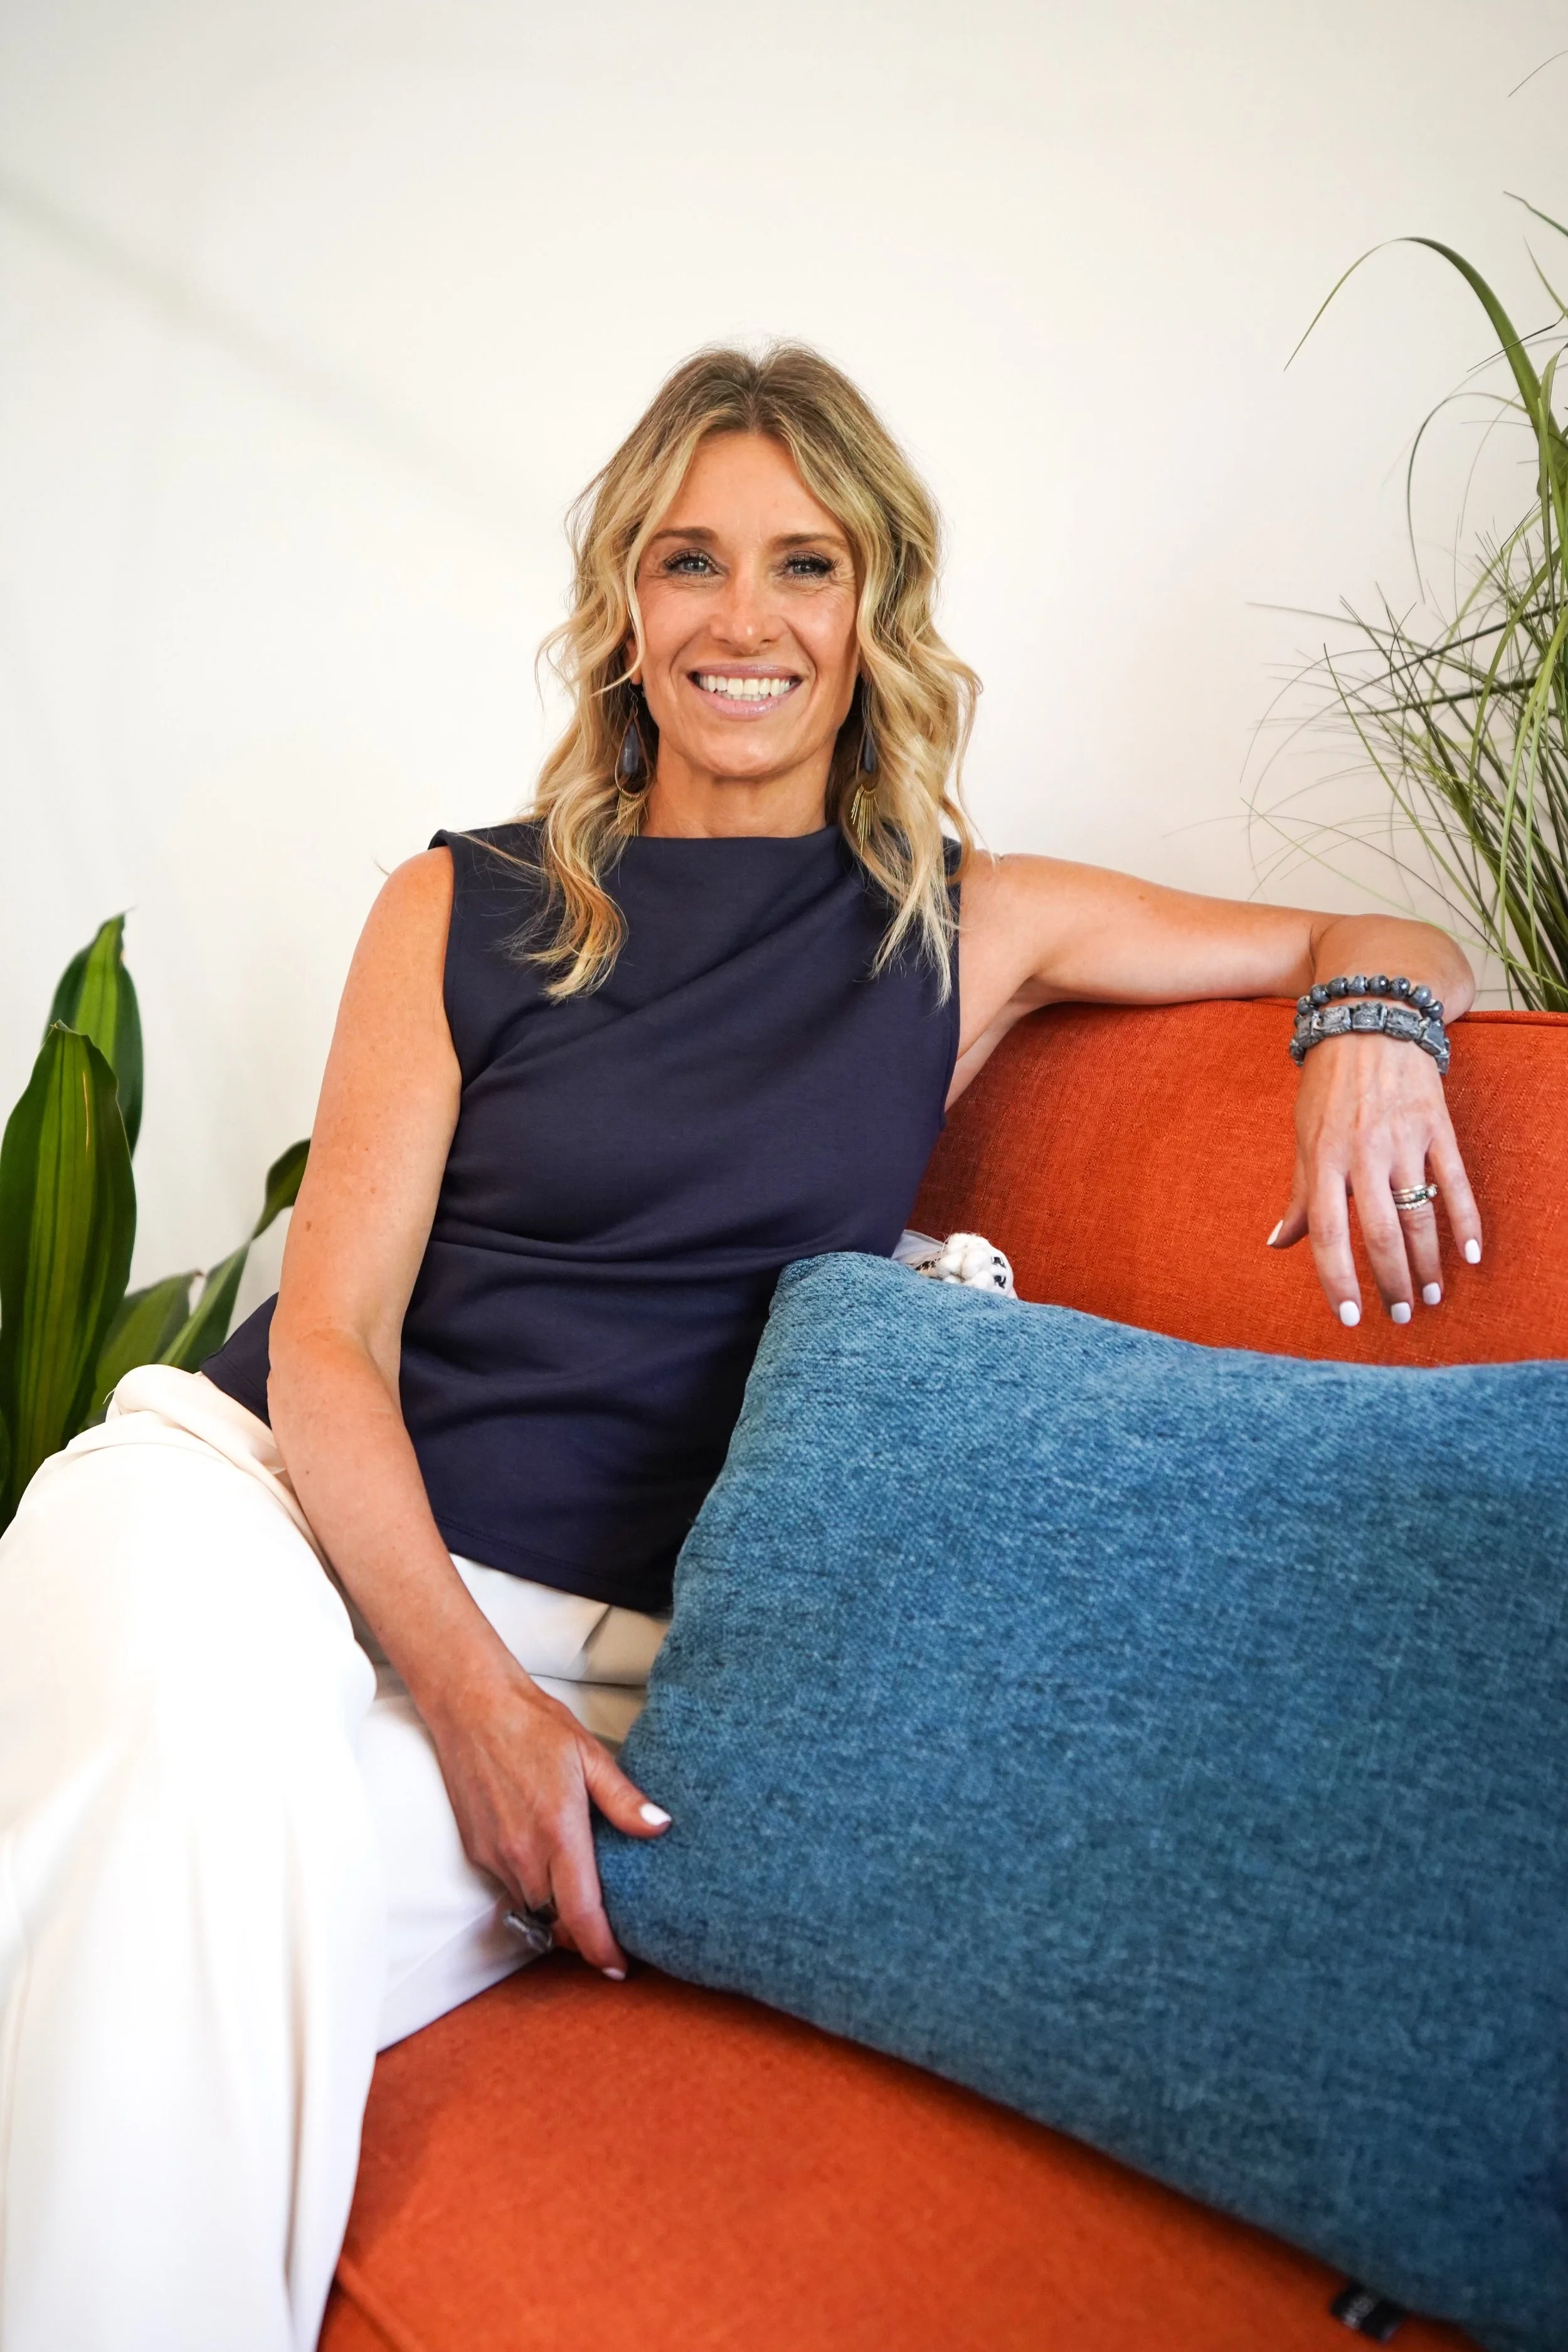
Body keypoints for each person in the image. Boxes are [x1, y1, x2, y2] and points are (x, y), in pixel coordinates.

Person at [0, 345, 1481, 2352]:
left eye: (805, 564)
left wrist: (1369, 1042)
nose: (745, 618)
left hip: (587, 1666)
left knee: (151, 1982)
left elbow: (1368, 931)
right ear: (627, 601)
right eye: (691, 561)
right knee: (183, 1738)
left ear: (873, 610)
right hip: (252, 1514)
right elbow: (331, 1341)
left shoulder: (961, 927)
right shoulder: (460, 906)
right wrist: (461, 1695)